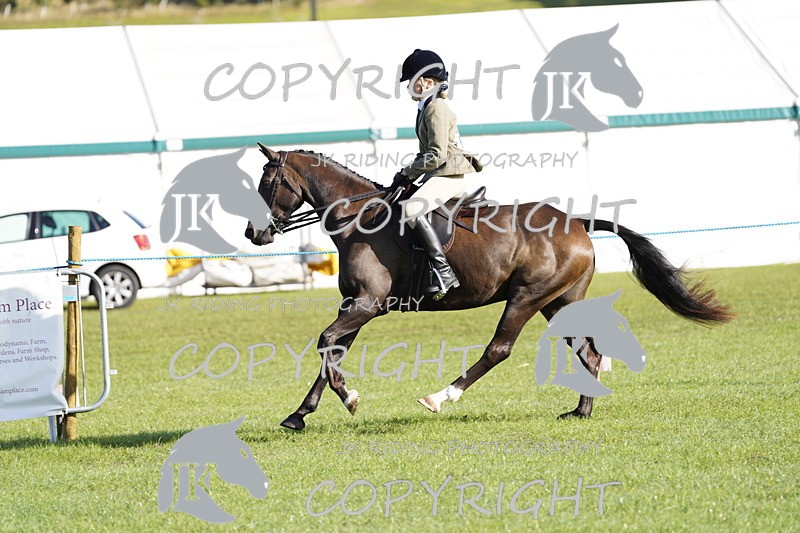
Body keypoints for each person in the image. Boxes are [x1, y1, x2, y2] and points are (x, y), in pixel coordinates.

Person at [395, 49, 483, 301]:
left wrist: (407, 173)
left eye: (411, 81)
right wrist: (407, 176)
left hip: (450, 174)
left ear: (427, 81)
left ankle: (443, 272)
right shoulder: (426, 108)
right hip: (439, 174)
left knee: (412, 209)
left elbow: (436, 155)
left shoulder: (436, 108)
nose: (408, 87)